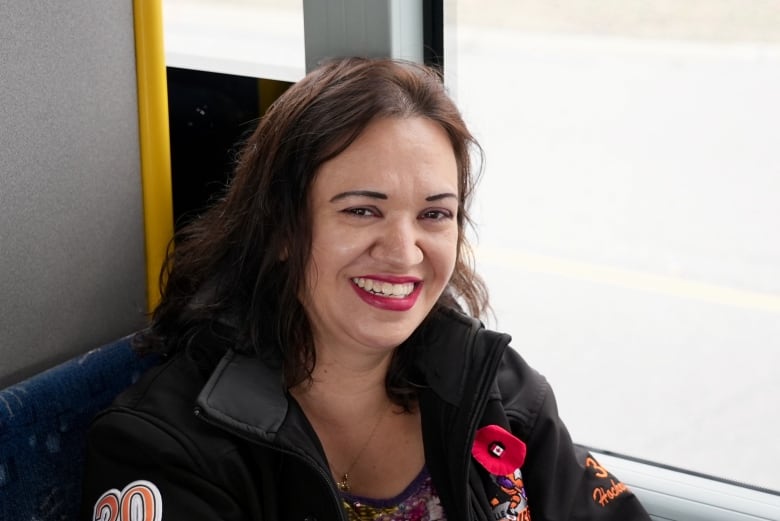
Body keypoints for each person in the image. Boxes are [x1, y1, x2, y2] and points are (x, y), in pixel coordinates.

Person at [80, 57, 651, 521]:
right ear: (281, 228)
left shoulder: (491, 385)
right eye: (361, 210)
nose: (404, 252)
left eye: (434, 215)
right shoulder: (168, 451)